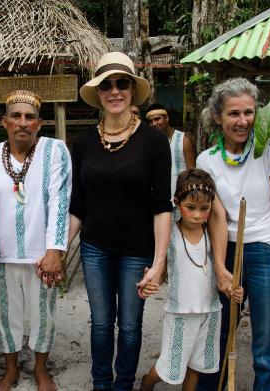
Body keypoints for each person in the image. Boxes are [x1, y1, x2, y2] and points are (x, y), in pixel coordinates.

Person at [69, 52, 172, 391]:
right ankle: (102, 384)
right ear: (98, 92)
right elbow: (77, 205)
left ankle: (124, 383)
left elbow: (162, 206)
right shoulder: (84, 143)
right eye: (106, 85)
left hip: (137, 251)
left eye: (122, 83)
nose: (115, 91)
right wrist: (56, 249)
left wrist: (159, 262)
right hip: (95, 248)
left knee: (129, 325)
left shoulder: (155, 141)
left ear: (132, 89)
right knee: (101, 323)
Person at [195, 77, 270, 390]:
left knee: (268, 350)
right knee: (217, 339)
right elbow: (215, 218)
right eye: (233, 114)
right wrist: (220, 270)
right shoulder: (207, 160)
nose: (242, 121)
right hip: (227, 250)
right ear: (217, 116)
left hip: (269, 252)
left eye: (248, 113)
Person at [0, 90, 71, 391]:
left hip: (41, 255)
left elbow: (60, 201)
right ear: (4, 122)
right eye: (15, 116)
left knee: (44, 315)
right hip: (1, 256)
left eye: (30, 117)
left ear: (40, 124)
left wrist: (55, 250)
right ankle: (11, 370)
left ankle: (41, 368)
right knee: (6, 316)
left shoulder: (55, 151)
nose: (23, 122)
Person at [139, 169, 243, 391]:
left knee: (198, 366)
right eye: (191, 208)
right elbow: (162, 272)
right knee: (170, 367)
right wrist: (151, 281)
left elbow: (222, 275)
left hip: (210, 311)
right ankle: (147, 383)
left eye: (204, 209)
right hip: (180, 312)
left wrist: (233, 290)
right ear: (177, 203)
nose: (197, 215)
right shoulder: (170, 235)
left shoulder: (213, 234)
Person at [146, 103, 196, 200]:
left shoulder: (184, 140)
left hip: (181, 198)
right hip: (158, 199)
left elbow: (192, 173)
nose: (154, 124)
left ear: (167, 118)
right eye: (151, 121)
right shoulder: (149, 143)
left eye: (157, 119)